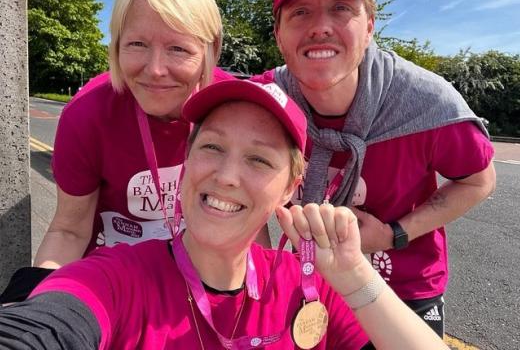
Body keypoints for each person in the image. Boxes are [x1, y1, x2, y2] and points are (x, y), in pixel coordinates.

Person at [0, 78, 449, 350]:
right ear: (188, 164)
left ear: (291, 188)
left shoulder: (313, 287)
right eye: (212, 147)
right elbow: (42, 327)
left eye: (259, 160)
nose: (227, 176)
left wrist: (355, 277)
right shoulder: (117, 278)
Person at [250, 0, 496, 338]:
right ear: (278, 33)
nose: (320, 27)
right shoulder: (264, 101)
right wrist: (262, 262)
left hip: (404, 287)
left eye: (341, 8)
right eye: (300, 12)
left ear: (369, 27)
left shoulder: (425, 102)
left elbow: (479, 180)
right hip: (305, 283)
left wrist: (393, 233)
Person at [0, 0, 239, 303]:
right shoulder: (87, 115)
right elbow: (69, 230)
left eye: (178, 48)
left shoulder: (235, 107)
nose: (155, 70)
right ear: (116, 44)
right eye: (137, 45)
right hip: (112, 282)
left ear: (210, 49)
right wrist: (42, 311)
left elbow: (250, 235)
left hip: (203, 280)